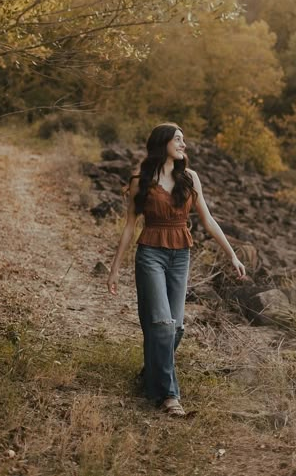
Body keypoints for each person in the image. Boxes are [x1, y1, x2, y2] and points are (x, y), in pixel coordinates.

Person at [107, 122, 246, 416]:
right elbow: (130, 227)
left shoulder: (190, 178)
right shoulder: (140, 180)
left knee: (177, 327)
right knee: (161, 324)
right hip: (151, 254)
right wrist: (115, 268)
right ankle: (170, 397)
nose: (184, 144)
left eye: (184, 140)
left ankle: (152, 373)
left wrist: (232, 255)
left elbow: (208, 220)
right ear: (163, 143)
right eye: (178, 139)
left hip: (181, 256)